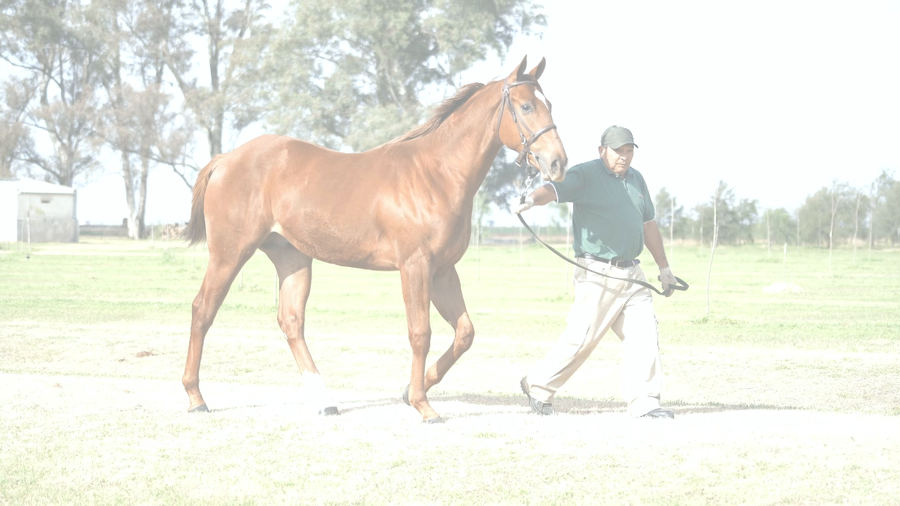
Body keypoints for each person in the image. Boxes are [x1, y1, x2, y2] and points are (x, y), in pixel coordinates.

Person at [514, 125, 678, 419]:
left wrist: (664, 268)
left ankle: (644, 400)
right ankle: (537, 385)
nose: (624, 157)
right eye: (619, 151)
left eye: (629, 151)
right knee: (582, 338)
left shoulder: (637, 179)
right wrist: (531, 200)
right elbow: (553, 189)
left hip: (633, 273)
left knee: (645, 335)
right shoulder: (586, 174)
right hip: (598, 272)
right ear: (602, 150)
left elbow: (648, 223)